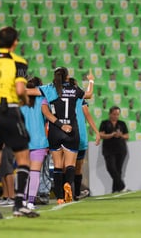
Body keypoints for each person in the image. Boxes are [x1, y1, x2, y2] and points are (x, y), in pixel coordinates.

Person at [0, 27, 39, 218]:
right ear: (15, 42)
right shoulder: (18, 61)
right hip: (10, 111)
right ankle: (19, 204)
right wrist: (25, 101)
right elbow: (21, 88)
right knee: (23, 158)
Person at [27, 67, 94, 204]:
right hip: (71, 130)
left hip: (55, 130)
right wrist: (91, 81)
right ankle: (68, 184)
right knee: (70, 164)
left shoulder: (49, 89)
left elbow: (28, 91)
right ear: (67, 76)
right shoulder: (74, 89)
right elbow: (89, 94)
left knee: (57, 165)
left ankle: (59, 198)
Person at [20, 77, 49, 210]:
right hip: (39, 141)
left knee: (24, 172)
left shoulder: (20, 102)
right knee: (35, 172)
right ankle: (31, 201)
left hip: (24, 141)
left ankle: (23, 199)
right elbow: (47, 120)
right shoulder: (43, 100)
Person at [71, 78, 100, 200]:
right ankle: (76, 193)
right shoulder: (79, 99)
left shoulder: (58, 98)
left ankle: (62, 194)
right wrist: (97, 132)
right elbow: (87, 115)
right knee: (78, 166)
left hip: (63, 135)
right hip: (80, 135)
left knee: (64, 165)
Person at [99, 106, 129, 193]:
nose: (116, 116)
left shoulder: (122, 123)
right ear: (110, 114)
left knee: (118, 170)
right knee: (111, 168)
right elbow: (101, 135)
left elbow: (127, 136)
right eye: (114, 114)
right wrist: (111, 135)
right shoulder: (104, 123)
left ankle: (115, 190)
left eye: (117, 114)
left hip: (121, 149)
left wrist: (120, 135)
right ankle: (122, 186)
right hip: (108, 149)